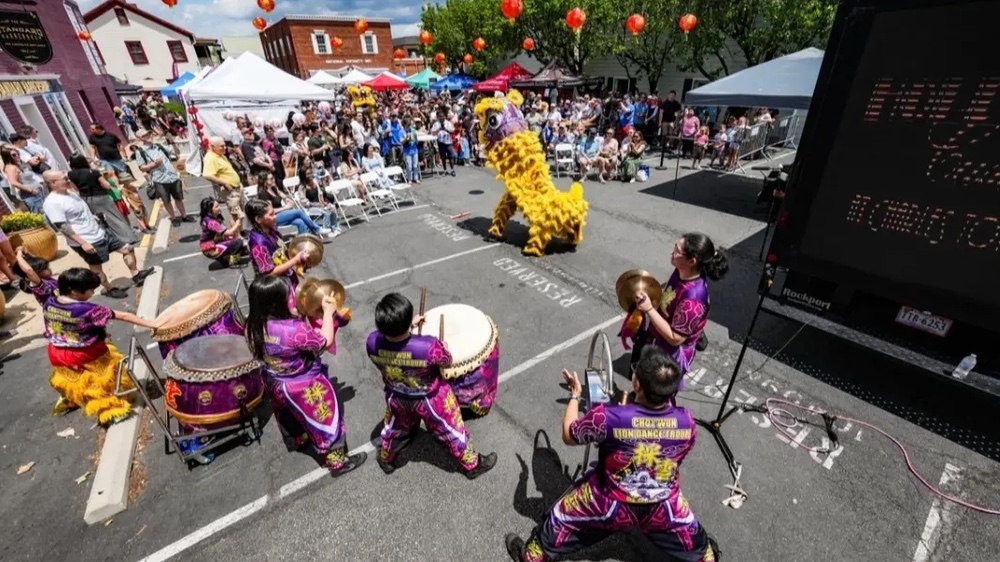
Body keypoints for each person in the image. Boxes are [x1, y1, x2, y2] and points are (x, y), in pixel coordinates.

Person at [504, 348, 720, 562]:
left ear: (637, 384)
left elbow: (569, 435)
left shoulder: (607, 417)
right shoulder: (688, 422)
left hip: (608, 502)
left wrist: (575, 395)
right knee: (698, 542)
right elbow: (674, 459)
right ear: (672, 391)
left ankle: (532, 556)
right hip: (662, 504)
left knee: (559, 517)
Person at [366, 292, 497, 479]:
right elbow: (446, 360)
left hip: (397, 395)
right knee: (451, 430)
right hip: (430, 399)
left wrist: (407, 326)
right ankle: (472, 465)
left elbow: (391, 345)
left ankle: (387, 459)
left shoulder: (372, 342)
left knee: (393, 428)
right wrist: (442, 345)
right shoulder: (428, 346)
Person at [245, 276, 366, 476]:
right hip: (302, 383)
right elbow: (324, 341)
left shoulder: (251, 325)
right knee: (326, 418)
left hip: (273, 380)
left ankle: (299, 439)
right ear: (278, 302)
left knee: (286, 413)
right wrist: (328, 313)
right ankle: (337, 462)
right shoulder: (294, 330)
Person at [45, 268, 160, 424]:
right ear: (74, 291)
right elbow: (124, 316)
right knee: (102, 383)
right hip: (86, 352)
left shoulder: (49, 302)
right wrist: (152, 324)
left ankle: (73, 398)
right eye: (90, 290)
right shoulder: (87, 310)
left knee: (82, 383)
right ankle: (113, 412)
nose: (93, 293)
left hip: (57, 352)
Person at [41, 170, 153, 299]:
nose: (68, 180)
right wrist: (83, 243)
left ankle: (136, 274)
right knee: (97, 269)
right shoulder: (52, 202)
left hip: (100, 233)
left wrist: (94, 217)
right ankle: (109, 289)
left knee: (127, 248)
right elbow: (61, 226)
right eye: (64, 178)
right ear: (53, 183)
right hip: (86, 240)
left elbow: (81, 211)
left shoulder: (71, 193)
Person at [630, 233, 729, 374]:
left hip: (669, 358)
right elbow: (670, 294)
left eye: (677, 251)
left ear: (692, 261)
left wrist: (649, 309)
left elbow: (675, 338)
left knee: (653, 393)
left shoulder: (693, 301)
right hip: (657, 339)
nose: (672, 252)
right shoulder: (681, 270)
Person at [245, 198, 308, 311]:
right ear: (259, 219)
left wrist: (297, 262)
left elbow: (282, 251)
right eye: (271, 214)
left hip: (287, 279)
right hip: (277, 288)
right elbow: (269, 273)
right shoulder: (258, 244)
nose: (275, 217)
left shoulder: (271, 230)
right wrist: (294, 261)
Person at [67, 155, 138, 248]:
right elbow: (106, 185)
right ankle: (129, 238)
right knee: (115, 217)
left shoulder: (71, 174)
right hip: (102, 197)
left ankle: (112, 240)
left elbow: (75, 189)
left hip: (87, 199)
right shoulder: (94, 172)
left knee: (100, 221)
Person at [133, 129, 193, 227]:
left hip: (172, 176)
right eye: (145, 135)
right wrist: (153, 164)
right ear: (140, 138)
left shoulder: (159, 146)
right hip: (159, 179)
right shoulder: (140, 152)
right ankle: (173, 218)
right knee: (166, 200)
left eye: (149, 134)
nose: (149, 136)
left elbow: (176, 152)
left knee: (178, 197)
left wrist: (172, 142)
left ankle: (184, 216)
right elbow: (142, 168)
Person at [255, 171, 331, 237]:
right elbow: (271, 211)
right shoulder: (264, 194)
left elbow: (284, 196)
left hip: (283, 214)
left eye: (273, 178)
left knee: (300, 222)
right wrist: (286, 207)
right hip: (273, 218)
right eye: (271, 179)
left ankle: (303, 242)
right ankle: (316, 229)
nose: (274, 180)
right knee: (299, 212)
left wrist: (287, 199)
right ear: (265, 181)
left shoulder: (273, 188)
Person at [202, 136, 245, 225]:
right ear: (212, 146)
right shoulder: (210, 158)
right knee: (235, 214)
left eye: (224, 145)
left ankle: (241, 232)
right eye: (221, 146)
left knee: (239, 212)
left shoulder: (220, 155)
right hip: (229, 190)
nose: (224, 148)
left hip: (236, 187)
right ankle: (237, 235)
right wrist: (224, 182)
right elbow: (207, 175)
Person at [199, 197, 246, 267]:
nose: (219, 208)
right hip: (210, 249)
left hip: (211, 244)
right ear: (210, 210)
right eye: (217, 207)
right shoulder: (211, 222)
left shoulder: (209, 218)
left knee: (233, 239)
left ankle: (224, 259)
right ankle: (233, 262)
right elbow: (230, 232)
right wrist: (239, 220)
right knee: (238, 242)